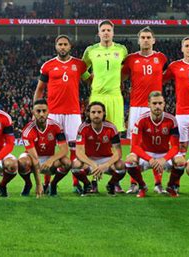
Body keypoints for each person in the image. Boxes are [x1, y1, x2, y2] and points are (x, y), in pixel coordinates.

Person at [34, 34, 87, 194]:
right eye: (60, 44)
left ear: (70, 46)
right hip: (53, 112)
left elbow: (89, 80)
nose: (62, 47)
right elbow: (40, 89)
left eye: (65, 44)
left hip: (73, 113)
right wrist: (36, 111)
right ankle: (46, 183)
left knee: (75, 149)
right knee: (49, 147)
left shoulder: (79, 65)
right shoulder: (48, 65)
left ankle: (76, 183)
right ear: (56, 47)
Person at [121, 26, 168, 194]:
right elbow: (122, 78)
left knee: (158, 144)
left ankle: (158, 184)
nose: (146, 40)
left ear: (154, 40)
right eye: (143, 37)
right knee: (135, 146)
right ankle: (134, 183)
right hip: (136, 107)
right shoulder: (131, 59)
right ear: (138, 40)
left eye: (149, 37)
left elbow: (165, 76)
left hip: (155, 106)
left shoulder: (161, 58)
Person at [125, 91, 185, 198]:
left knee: (181, 162)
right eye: (154, 103)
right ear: (148, 104)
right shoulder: (141, 120)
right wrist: (150, 159)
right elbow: (134, 146)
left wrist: (164, 159)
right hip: (146, 154)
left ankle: (171, 186)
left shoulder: (172, 120)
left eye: (160, 103)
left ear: (164, 104)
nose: (157, 106)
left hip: (164, 154)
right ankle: (142, 186)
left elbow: (175, 147)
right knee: (129, 160)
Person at [82, 20, 128, 132]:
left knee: (115, 132)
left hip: (115, 96)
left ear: (113, 33)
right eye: (103, 30)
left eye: (108, 30)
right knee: (95, 131)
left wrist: (120, 80)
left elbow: (127, 69)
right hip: (97, 96)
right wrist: (89, 79)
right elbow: (82, 69)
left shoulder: (121, 49)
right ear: (99, 34)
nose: (106, 32)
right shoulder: (91, 50)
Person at [18, 99, 71, 197]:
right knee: (22, 163)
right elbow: (34, 158)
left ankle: (53, 184)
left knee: (67, 163)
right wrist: (39, 184)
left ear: (48, 111)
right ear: (33, 112)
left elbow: (64, 149)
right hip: (32, 157)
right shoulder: (27, 130)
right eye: (38, 111)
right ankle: (28, 184)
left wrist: (51, 160)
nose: (41, 114)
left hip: (49, 157)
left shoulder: (56, 126)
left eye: (44, 111)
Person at [71, 102, 125, 196]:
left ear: (104, 113)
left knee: (121, 165)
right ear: (88, 113)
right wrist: (93, 164)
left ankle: (111, 184)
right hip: (89, 159)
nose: (96, 115)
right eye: (93, 112)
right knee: (75, 164)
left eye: (99, 112)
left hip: (106, 159)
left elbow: (118, 153)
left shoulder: (111, 128)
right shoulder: (83, 128)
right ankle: (88, 185)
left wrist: (105, 165)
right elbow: (79, 152)